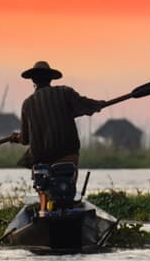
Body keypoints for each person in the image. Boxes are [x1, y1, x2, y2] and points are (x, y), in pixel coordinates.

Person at [8, 61, 106, 215]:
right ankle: (69, 198)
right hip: (68, 153)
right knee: (68, 179)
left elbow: (25, 139)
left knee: (41, 185)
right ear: (50, 79)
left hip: (42, 158)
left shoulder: (28, 104)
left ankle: (44, 207)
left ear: (33, 81)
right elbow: (84, 105)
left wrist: (16, 138)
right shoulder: (65, 92)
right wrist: (99, 104)